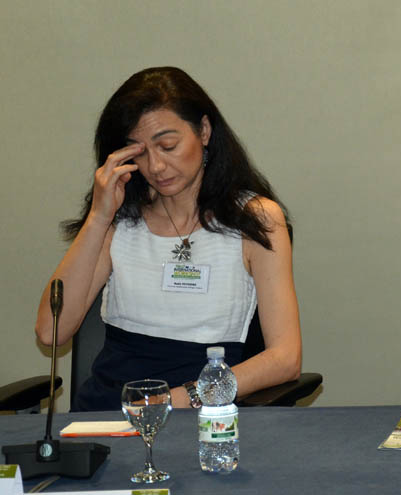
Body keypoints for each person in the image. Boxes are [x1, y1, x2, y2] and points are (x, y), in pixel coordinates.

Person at [34, 67, 302, 411]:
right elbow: (50, 333)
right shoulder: (118, 220)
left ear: (204, 131)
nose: (156, 166)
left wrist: (176, 400)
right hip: (108, 412)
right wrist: (99, 217)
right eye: (139, 152)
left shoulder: (256, 219)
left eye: (168, 146)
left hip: (201, 414)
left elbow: (285, 358)